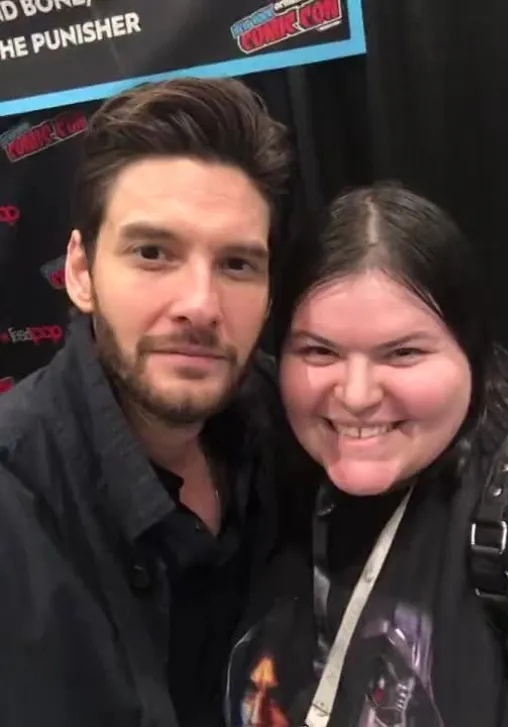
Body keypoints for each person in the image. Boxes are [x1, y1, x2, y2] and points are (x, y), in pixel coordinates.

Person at [0, 77, 291, 726]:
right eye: (153, 252)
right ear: (81, 272)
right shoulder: (15, 503)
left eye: (237, 264)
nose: (200, 305)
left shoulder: (292, 418)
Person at [225, 183, 508, 727]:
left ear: (469, 350)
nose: (355, 395)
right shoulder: (264, 473)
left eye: (403, 353)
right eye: (319, 350)